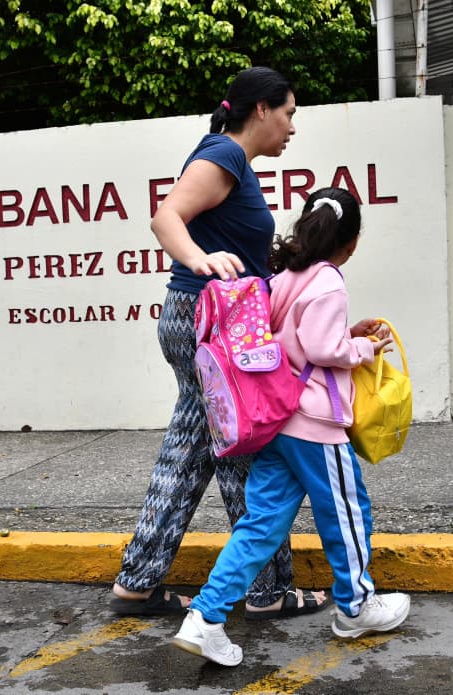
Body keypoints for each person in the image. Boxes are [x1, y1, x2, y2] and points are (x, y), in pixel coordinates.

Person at [111, 67, 327, 618]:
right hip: (211, 322)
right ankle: (266, 590)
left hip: (205, 322)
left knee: (189, 454)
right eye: (289, 113)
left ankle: (137, 580)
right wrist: (199, 259)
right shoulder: (224, 155)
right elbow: (166, 218)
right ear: (261, 110)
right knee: (246, 450)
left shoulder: (236, 164)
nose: (292, 127)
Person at [170, 188, 412, 666]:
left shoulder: (285, 276)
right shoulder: (329, 282)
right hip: (315, 423)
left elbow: (297, 341)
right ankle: (356, 607)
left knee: (259, 525)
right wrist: (363, 349)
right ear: (353, 241)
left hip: (277, 420)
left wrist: (347, 333)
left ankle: (205, 617)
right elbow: (322, 350)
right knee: (347, 511)